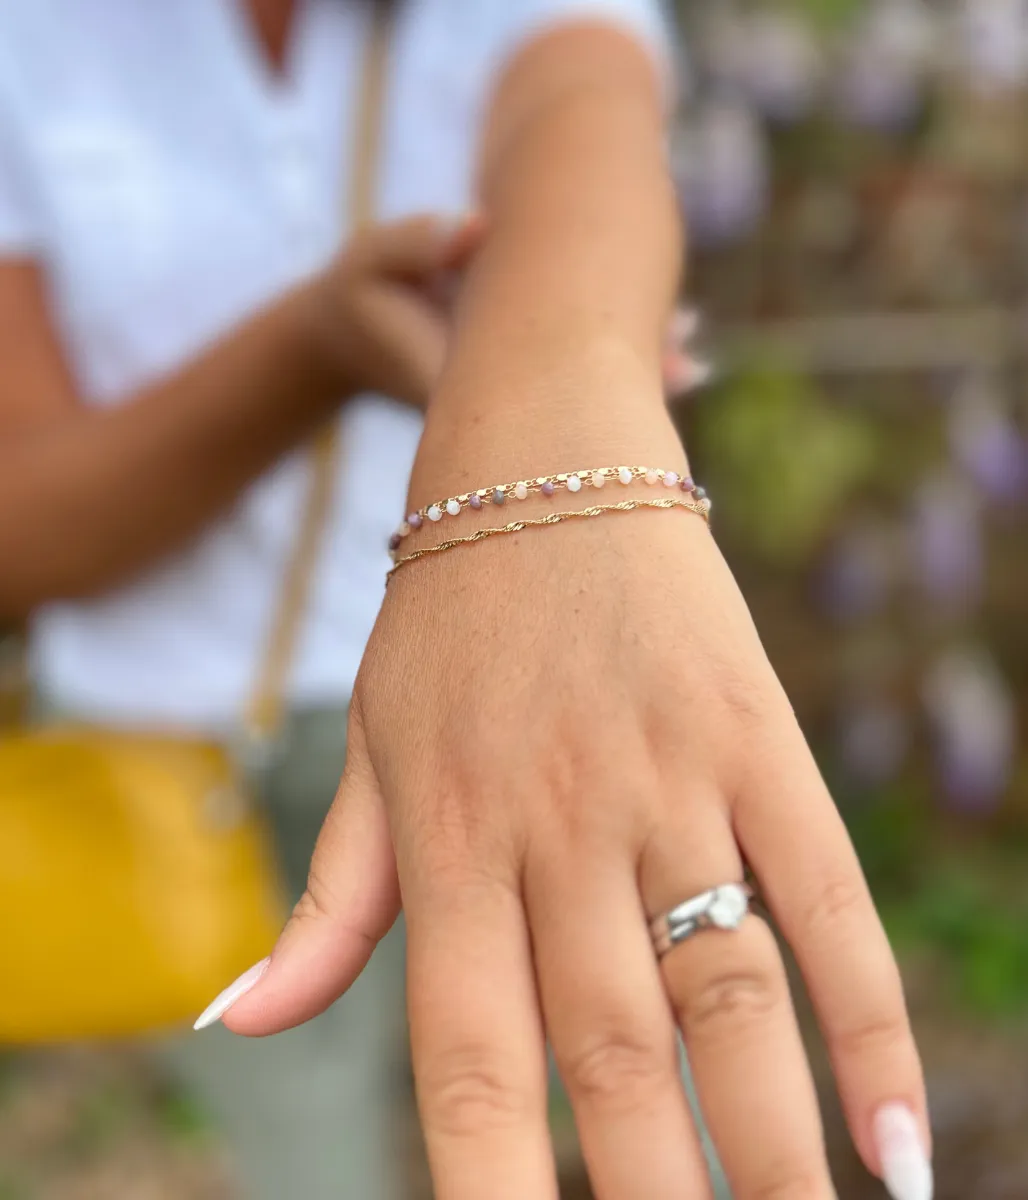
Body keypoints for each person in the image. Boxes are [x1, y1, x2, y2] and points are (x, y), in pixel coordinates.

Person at [0, 5, 932, 1200]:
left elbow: (580, 139)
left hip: (537, 719)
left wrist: (555, 432)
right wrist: (310, 350)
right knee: (305, 1168)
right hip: (175, 764)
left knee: (649, 1097)